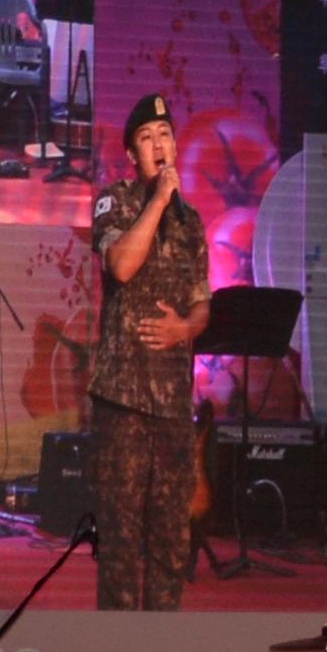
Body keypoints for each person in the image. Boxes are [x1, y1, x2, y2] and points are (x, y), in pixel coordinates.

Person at [88, 94, 210, 611]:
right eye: (146, 137)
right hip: (124, 401)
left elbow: (202, 304)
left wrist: (186, 328)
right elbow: (120, 266)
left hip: (173, 408)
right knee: (119, 541)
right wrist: (157, 201)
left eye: (164, 134)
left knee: (170, 541)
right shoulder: (115, 201)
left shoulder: (193, 223)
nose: (158, 144)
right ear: (133, 156)